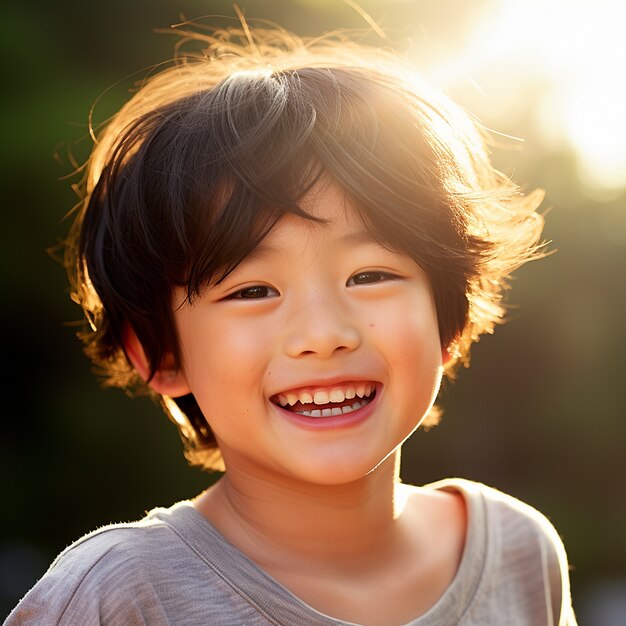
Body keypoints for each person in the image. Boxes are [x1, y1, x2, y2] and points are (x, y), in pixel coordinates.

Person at [6, 22, 577, 626]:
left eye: (370, 276)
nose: (323, 334)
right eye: (253, 290)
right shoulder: (121, 596)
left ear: (448, 317)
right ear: (159, 354)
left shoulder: (519, 553)